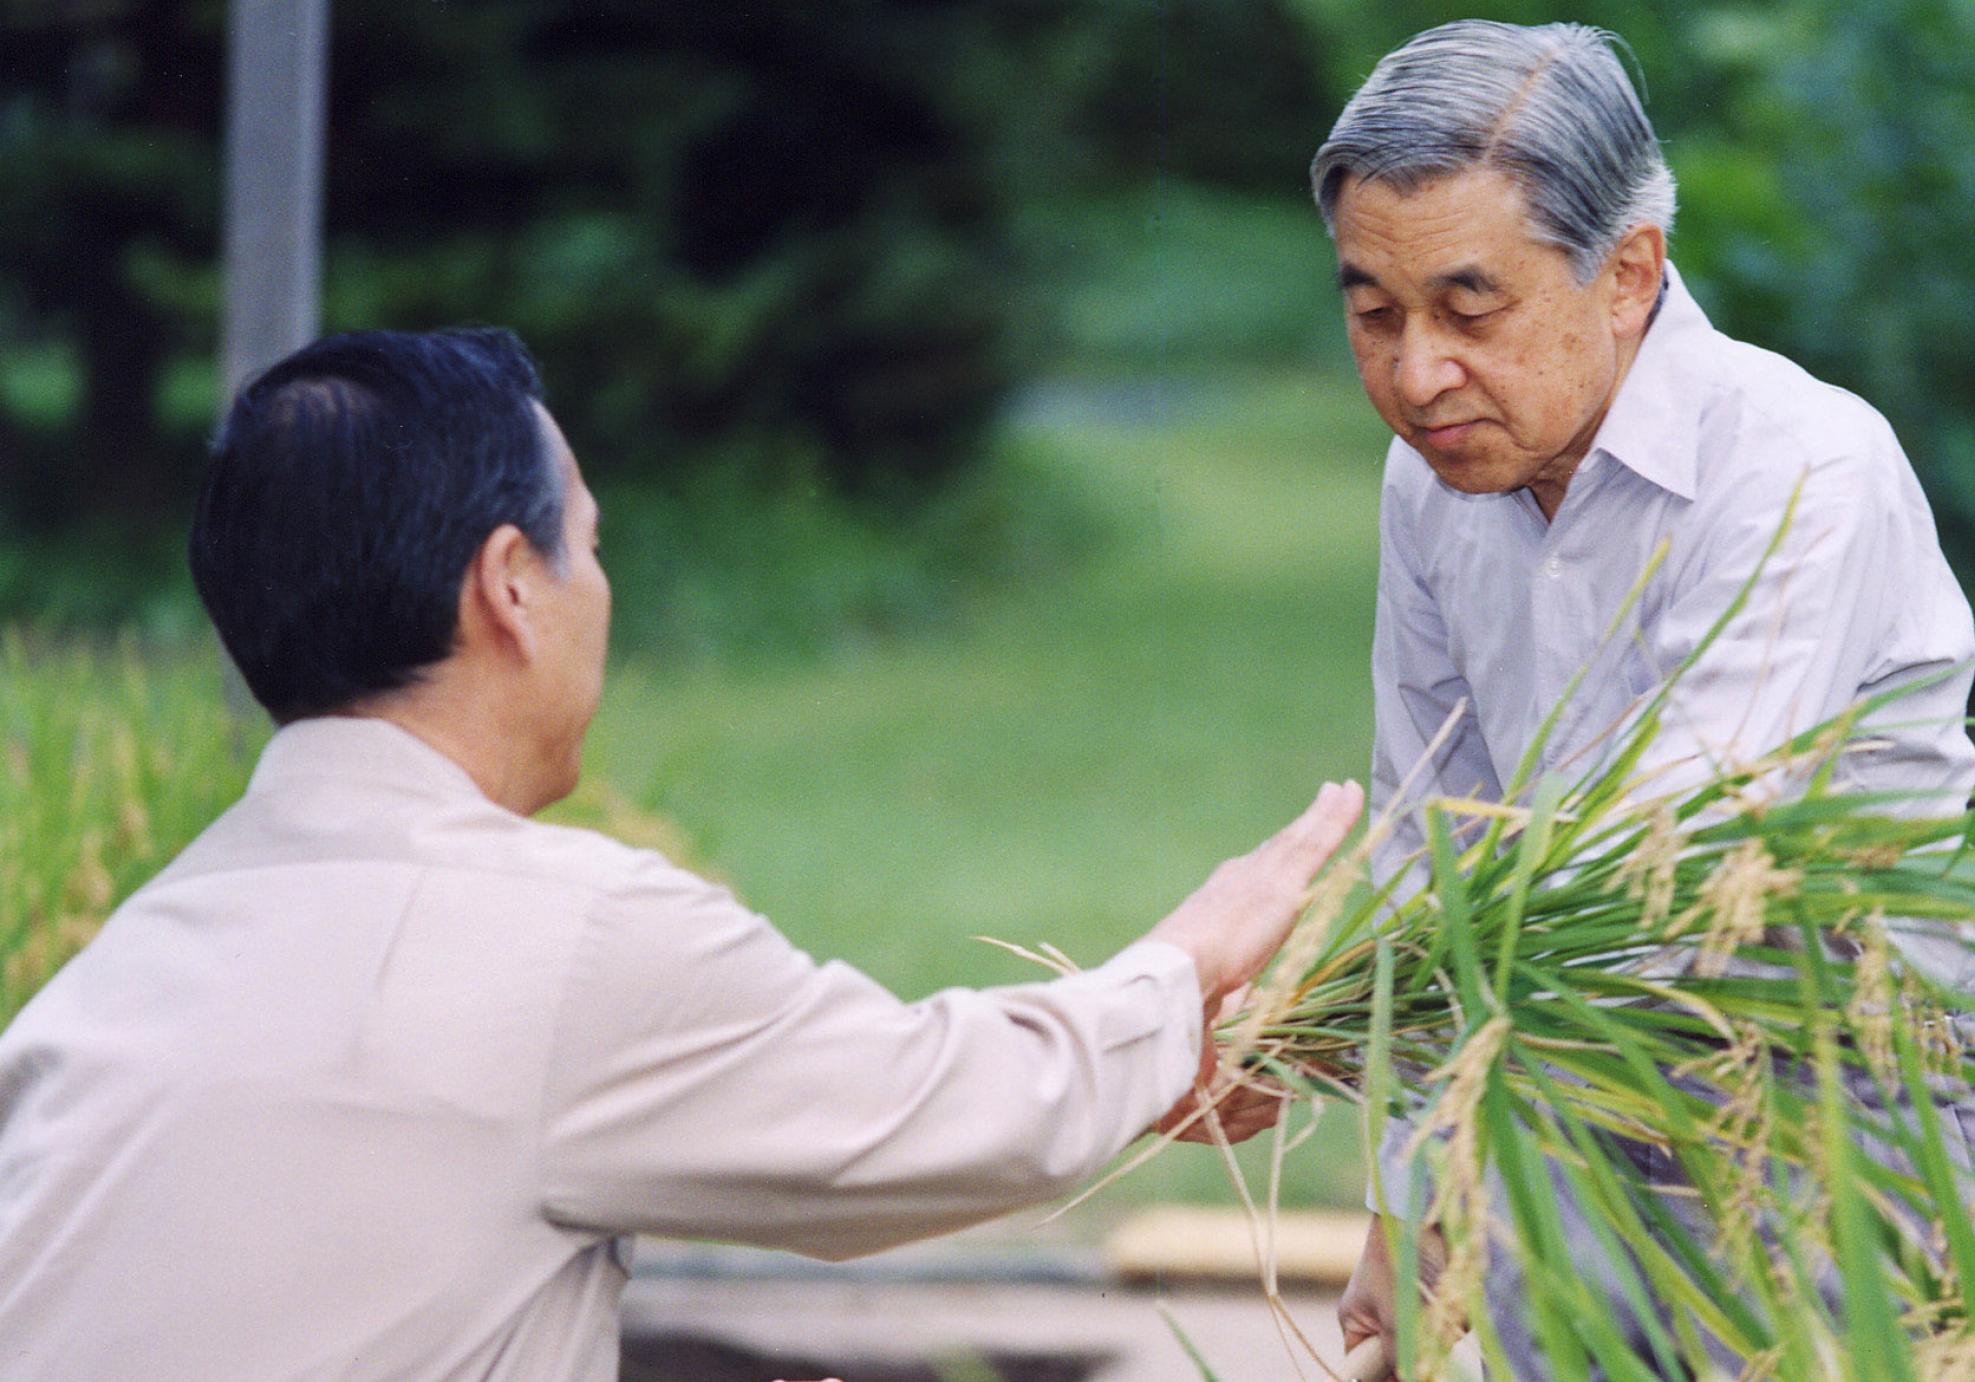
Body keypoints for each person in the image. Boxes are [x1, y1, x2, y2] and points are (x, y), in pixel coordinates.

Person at [0, 328, 1364, 1379]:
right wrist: (1186, 963)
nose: (605, 589)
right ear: (510, 586)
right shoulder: (562, 939)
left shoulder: (112, 979)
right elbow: (940, 1113)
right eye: (591, 543)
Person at [1312, 20, 1975, 1377]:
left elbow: (1668, 871)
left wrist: (1294, 1010)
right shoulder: (1433, 485)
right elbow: (1432, 850)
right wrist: (1406, 1208)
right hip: (1577, 1106)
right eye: (1374, 314)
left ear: (1628, 273)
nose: (1416, 376)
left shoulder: (1803, 469)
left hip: (1855, 1112)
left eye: (1471, 312)